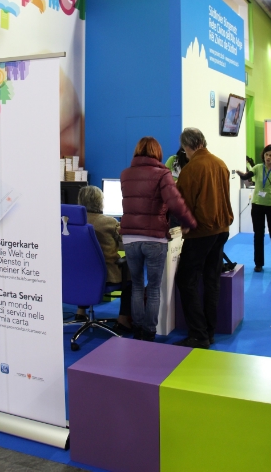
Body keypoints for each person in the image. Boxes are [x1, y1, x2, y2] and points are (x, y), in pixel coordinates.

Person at [120, 136, 196, 342]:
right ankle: (149, 331)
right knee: (153, 288)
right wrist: (189, 222)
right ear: (157, 153)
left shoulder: (125, 174)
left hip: (130, 238)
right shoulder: (163, 174)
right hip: (155, 238)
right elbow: (175, 202)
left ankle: (137, 329)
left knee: (137, 285)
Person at [174, 128, 234, 349]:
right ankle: (209, 331)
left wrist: (184, 225)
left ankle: (198, 334)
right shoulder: (220, 164)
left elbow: (184, 203)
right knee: (211, 280)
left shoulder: (191, 169)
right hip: (221, 229)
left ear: (186, 146)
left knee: (186, 280)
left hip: (201, 233)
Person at [77, 185, 132, 334]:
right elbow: (126, 242)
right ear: (100, 202)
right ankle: (123, 320)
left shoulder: (72, 222)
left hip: (77, 277)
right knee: (133, 275)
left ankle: (80, 312)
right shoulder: (109, 222)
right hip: (106, 277)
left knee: (83, 262)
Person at [237, 145, 271, 272]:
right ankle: (258, 263)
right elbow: (246, 176)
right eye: (266, 154)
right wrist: (239, 173)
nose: (268, 157)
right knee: (258, 235)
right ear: (263, 155)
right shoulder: (257, 168)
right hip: (257, 205)